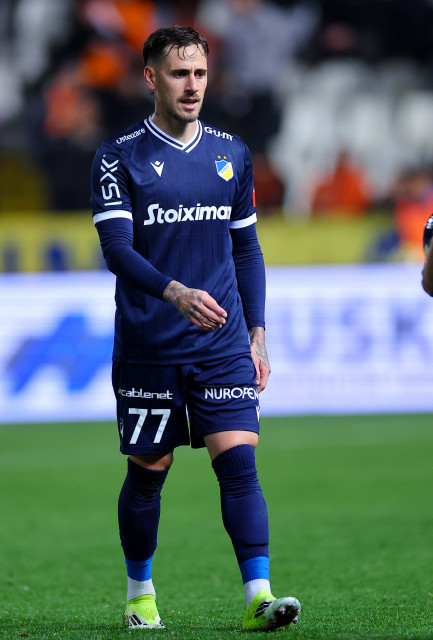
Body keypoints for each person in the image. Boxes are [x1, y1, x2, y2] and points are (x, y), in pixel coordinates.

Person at [90, 24, 300, 632]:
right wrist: (175, 292)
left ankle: (259, 597)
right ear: (150, 77)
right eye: (179, 73)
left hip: (221, 342)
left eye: (200, 73)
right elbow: (117, 249)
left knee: (239, 465)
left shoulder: (232, 153)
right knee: (147, 475)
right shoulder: (119, 155)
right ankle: (140, 594)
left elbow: (247, 248)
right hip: (150, 344)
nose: (192, 86)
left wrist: (257, 332)